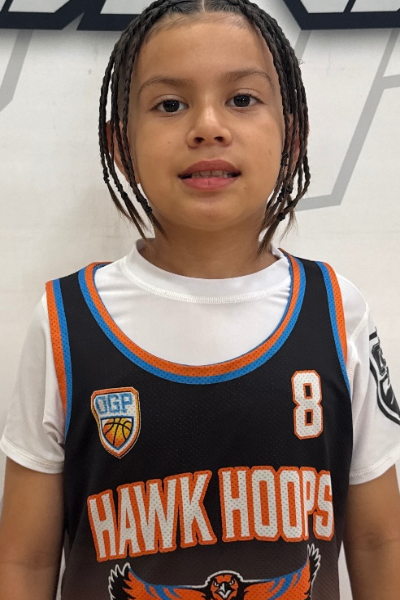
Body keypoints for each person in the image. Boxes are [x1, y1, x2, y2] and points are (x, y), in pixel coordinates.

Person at [0, 0, 400, 598]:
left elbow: (378, 542)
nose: (208, 126)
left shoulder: (337, 310)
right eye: (169, 104)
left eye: (242, 99)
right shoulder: (65, 321)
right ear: (120, 145)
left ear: (293, 134)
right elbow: (25, 561)